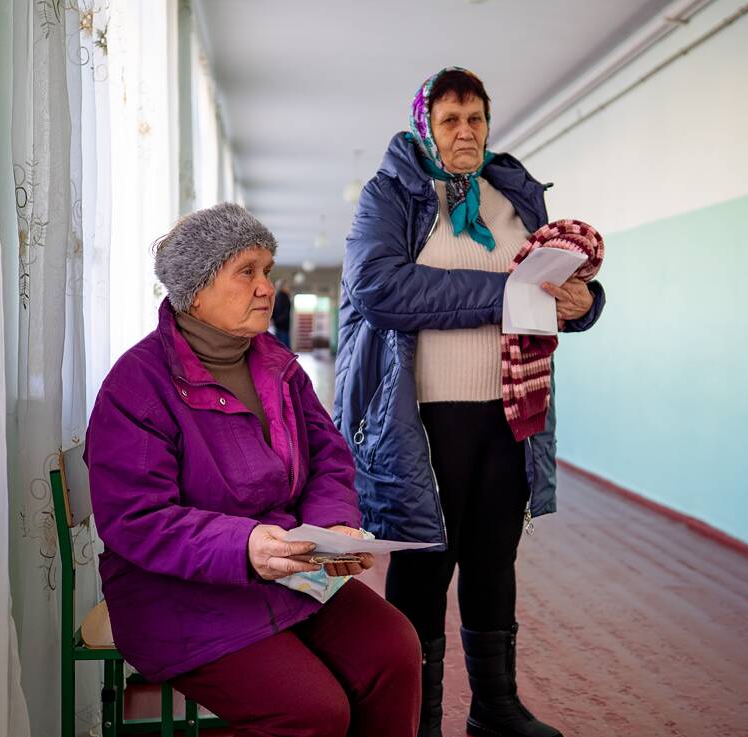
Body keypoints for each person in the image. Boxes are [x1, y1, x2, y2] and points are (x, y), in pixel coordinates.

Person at [334, 68, 605, 737]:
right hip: (419, 417)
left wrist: (582, 304)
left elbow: (558, 284)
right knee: (425, 565)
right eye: (450, 119)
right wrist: (505, 296)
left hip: (508, 412)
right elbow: (379, 288)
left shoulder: (510, 195)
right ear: (425, 123)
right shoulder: (391, 193)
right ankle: (417, 720)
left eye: (475, 118)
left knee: (493, 558)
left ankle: (494, 707)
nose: (465, 132)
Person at [85, 203, 421, 737]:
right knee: (312, 711)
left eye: (268, 269)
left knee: (394, 648)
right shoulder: (136, 385)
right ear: (196, 289)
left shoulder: (278, 366)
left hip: (286, 568)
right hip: (177, 594)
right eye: (248, 271)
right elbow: (137, 519)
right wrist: (243, 546)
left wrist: (332, 525)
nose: (267, 287)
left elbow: (329, 456)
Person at [272, 278, 292, 348]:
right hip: (283, 327)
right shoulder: (284, 297)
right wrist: (278, 321)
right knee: (285, 350)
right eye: (287, 286)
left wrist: (275, 321)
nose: (288, 288)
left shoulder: (276, 297)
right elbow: (285, 314)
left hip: (278, 327)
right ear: (283, 286)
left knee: (280, 348)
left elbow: (273, 311)